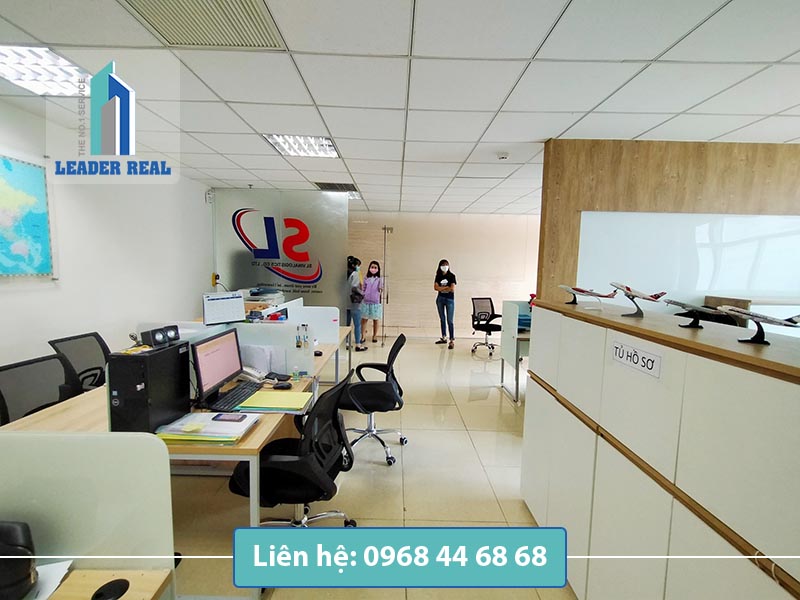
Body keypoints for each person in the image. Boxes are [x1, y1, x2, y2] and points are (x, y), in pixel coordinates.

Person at [434, 258, 456, 349]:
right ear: (440, 266)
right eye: (443, 265)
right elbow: (435, 288)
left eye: (446, 265)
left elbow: (452, 289)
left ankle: (451, 340)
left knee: (450, 320)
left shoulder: (452, 276)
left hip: (449, 300)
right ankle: (444, 337)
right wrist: (446, 287)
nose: (445, 267)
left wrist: (441, 288)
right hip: (440, 299)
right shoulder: (438, 276)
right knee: (442, 319)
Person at [346, 256, 367, 352]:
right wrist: (362, 293)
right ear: (355, 265)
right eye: (358, 265)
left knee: (346, 325)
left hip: (345, 302)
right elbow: (354, 287)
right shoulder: (355, 274)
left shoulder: (345, 274)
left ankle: (346, 342)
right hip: (355, 302)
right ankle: (358, 344)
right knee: (357, 324)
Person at [360, 260, 383, 344]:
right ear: (369, 268)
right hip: (366, 301)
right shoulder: (366, 278)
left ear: (378, 269)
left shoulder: (379, 279)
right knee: (364, 319)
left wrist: (381, 284)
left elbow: (381, 289)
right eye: (372, 267)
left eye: (375, 267)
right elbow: (363, 289)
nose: (373, 269)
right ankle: (363, 336)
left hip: (375, 302)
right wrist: (363, 294)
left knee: (375, 319)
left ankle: (375, 335)